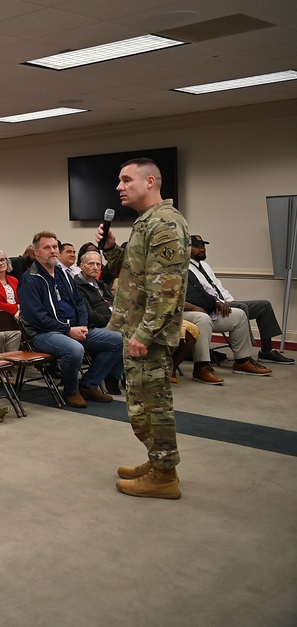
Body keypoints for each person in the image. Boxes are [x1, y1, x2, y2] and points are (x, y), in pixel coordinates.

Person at [99, 157, 190, 500]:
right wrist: (110, 249)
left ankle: (164, 476)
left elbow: (166, 287)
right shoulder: (146, 222)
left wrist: (145, 333)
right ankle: (158, 463)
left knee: (151, 405)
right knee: (143, 404)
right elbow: (132, 272)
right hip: (138, 329)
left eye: (126, 180)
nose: (119, 187)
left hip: (146, 334)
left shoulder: (164, 223)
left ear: (150, 182)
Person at [18, 231, 124, 408]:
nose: (53, 251)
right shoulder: (30, 280)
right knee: (74, 349)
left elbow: (79, 302)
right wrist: (67, 330)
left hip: (74, 328)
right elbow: (38, 318)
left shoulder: (64, 274)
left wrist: (81, 325)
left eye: (54, 247)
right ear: (36, 253)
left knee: (118, 341)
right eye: (47, 248)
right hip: (43, 333)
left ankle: (88, 384)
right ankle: (71, 390)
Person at [188, 235, 292, 364]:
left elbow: (218, 286)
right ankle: (245, 355)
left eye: (203, 246)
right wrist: (221, 302)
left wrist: (230, 300)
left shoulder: (205, 265)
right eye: (197, 247)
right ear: (186, 249)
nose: (202, 249)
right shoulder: (185, 268)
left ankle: (267, 351)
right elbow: (201, 293)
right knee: (242, 307)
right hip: (212, 306)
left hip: (225, 302)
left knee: (264, 305)